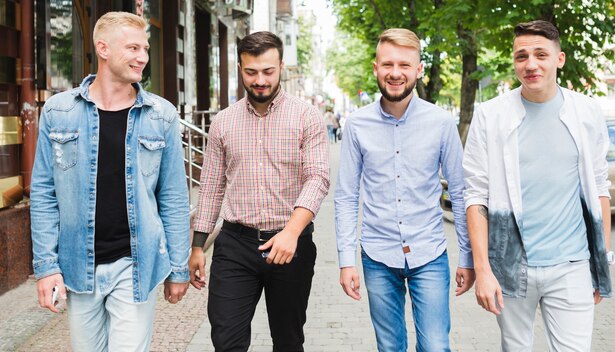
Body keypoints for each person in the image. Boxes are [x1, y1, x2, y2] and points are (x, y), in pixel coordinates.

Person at [30, 11, 190, 351]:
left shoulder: (161, 116)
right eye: (133, 48)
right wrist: (46, 267)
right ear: (103, 48)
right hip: (78, 265)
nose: (143, 57)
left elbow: (174, 198)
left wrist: (178, 269)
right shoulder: (59, 111)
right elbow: (44, 195)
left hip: (135, 264)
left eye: (145, 48)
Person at [463, 20, 613, 351]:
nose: (530, 64)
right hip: (511, 263)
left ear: (559, 59)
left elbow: (599, 188)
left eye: (541, 54)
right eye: (522, 56)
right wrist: (483, 270)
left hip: (572, 265)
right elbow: (474, 197)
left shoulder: (586, 112)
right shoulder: (491, 115)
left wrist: (601, 260)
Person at [334, 28, 474, 351]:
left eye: (404, 65)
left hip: (429, 254)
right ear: (375, 68)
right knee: (390, 347)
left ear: (419, 69)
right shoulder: (356, 125)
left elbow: (461, 190)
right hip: (377, 256)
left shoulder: (440, 123)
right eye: (388, 65)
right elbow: (345, 196)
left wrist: (466, 256)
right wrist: (345, 260)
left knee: (436, 347)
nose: (395, 73)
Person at [189, 31, 330, 352]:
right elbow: (211, 187)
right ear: (240, 68)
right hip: (235, 245)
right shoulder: (223, 122)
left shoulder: (306, 116)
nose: (260, 80)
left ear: (281, 66)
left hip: (291, 244)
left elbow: (318, 177)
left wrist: (292, 232)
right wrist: (198, 246)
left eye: (268, 71)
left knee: (288, 341)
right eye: (251, 72)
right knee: (226, 340)